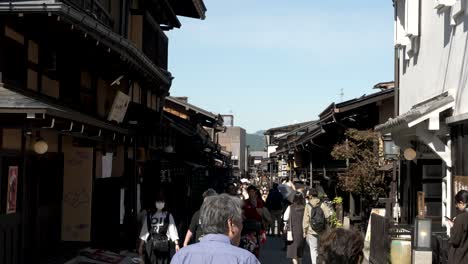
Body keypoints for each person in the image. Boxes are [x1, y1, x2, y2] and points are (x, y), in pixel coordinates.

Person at [171, 194, 260, 264]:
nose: (242, 227)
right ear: (230, 224)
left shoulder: (181, 257)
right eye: (240, 222)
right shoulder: (245, 259)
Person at [139, 196, 179, 264]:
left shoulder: (168, 215)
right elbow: (145, 231)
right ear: (155, 203)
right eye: (158, 202)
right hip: (151, 246)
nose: (160, 203)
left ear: (164, 203)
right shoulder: (149, 215)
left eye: (162, 202)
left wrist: (176, 243)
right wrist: (141, 245)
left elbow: (173, 230)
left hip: (163, 245)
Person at [303, 189, 331, 264]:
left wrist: (304, 231)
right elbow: (328, 216)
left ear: (311, 196)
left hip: (311, 230)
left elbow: (305, 219)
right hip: (322, 230)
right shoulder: (322, 204)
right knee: (321, 248)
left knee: (313, 249)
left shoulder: (308, 205)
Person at [241, 185, 267, 257]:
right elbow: (242, 213)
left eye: (252, 191)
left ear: (255, 192)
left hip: (257, 228)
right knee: (248, 247)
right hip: (247, 228)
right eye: (249, 192)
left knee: (256, 247)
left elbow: (262, 215)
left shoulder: (260, 202)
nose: (251, 193)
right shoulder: (245, 202)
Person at [283, 192, 306, 264]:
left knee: (294, 255)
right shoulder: (305, 208)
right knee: (300, 255)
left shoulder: (290, 207)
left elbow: (285, 218)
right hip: (302, 233)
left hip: (292, 233)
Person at [447, 190, 468, 264]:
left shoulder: (460, 218)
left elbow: (455, 241)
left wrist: (452, 227)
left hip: (459, 259)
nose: (456, 206)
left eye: (457, 204)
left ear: (461, 203)